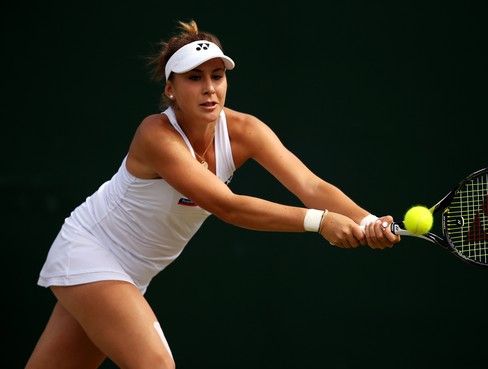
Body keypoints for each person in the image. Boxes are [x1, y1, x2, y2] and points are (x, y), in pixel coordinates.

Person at [25, 20, 400, 369]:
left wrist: (366, 220)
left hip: (133, 273)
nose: (209, 88)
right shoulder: (155, 135)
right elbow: (227, 206)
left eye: (217, 76)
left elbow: (311, 186)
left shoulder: (245, 130)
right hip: (91, 251)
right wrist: (319, 222)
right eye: (194, 78)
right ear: (170, 89)